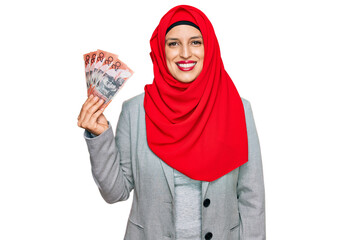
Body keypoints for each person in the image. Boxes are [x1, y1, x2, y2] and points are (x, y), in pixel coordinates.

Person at [77, 5, 265, 240]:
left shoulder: (239, 108)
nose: (185, 53)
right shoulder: (135, 111)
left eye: (196, 42)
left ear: (210, 47)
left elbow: (252, 198)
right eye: (173, 43)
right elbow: (116, 192)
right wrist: (99, 136)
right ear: (160, 50)